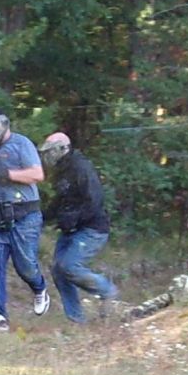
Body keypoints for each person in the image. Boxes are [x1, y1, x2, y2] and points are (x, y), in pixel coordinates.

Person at [0, 110, 49, 332]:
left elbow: (37, 174)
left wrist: (10, 175)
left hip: (23, 216)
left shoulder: (22, 144)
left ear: (6, 126)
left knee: (25, 265)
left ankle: (39, 289)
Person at [38, 132, 119, 324]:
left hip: (91, 228)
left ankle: (107, 290)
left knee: (69, 266)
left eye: (50, 151)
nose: (47, 156)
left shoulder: (81, 167)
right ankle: (76, 320)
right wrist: (41, 218)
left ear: (63, 149)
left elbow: (95, 199)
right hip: (72, 229)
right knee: (59, 271)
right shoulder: (63, 170)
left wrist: (74, 219)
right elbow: (61, 200)